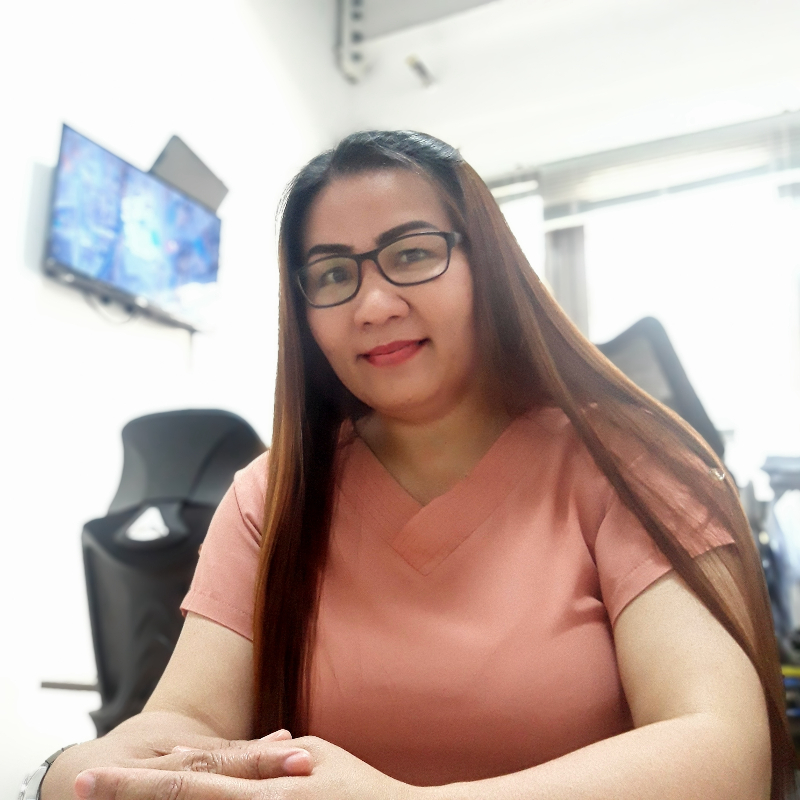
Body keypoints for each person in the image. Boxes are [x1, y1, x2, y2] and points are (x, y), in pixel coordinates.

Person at [43, 131, 795, 800]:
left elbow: (720, 752)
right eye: (331, 274)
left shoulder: (630, 462)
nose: (372, 304)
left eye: (411, 253)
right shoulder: (269, 497)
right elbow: (186, 723)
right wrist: (71, 773)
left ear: (485, 264)